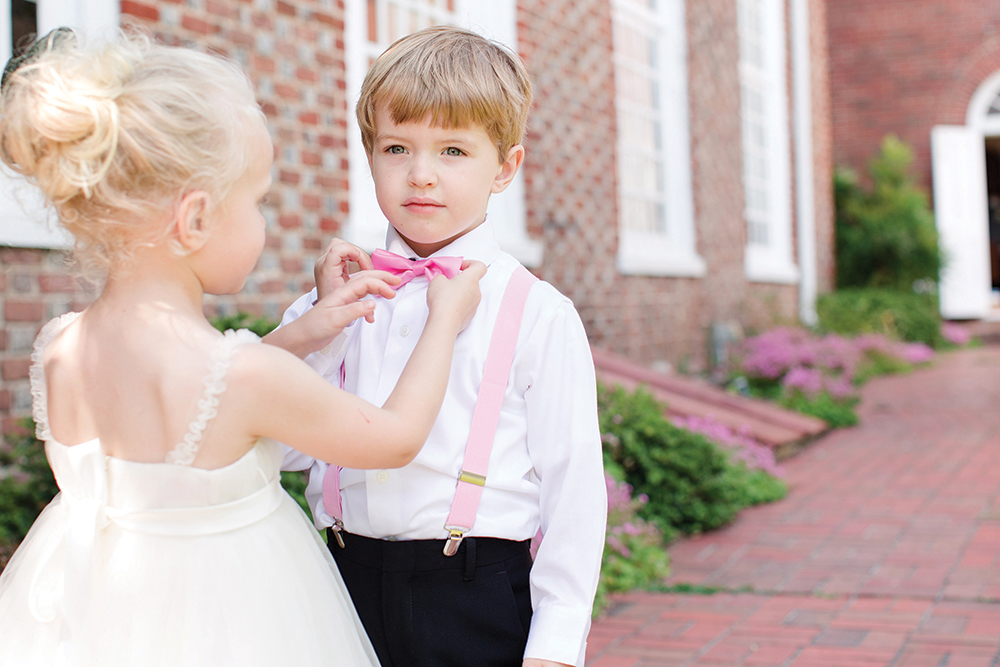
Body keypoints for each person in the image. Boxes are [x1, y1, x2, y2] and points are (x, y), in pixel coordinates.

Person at [0, 29, 485, 667]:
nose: (261, 223)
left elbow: (199, 418)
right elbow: (392, 439)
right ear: (196, 219)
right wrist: (444, 323)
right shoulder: (246, 375)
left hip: (99, 617)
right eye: (255, 203)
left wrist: (306, 332)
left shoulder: (60, 347)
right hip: (233, 621)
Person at [280, 25, 607, 667]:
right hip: (339, 587)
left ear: (504, 168)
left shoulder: (538, 312)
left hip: (473, 595)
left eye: (454, 151)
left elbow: (574, 488)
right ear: (370, 154)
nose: (421, 175)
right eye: (398, 147)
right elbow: (284, 449)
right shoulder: (333, 300)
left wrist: (556, 645)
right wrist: (324, 324)